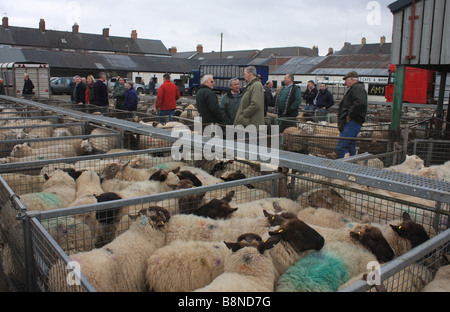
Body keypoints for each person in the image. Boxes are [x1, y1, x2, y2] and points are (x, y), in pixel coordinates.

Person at [336, 71, 368, 159]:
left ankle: (344, 167)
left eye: (346, 80)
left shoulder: (357, 88)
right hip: (354, 122)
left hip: (352, 122)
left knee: (341, 147)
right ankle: (352, 166)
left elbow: (360, 102)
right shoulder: (356, 88)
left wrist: (349, 115)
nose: (345, 82)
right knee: (350, 147)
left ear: (352, 79)